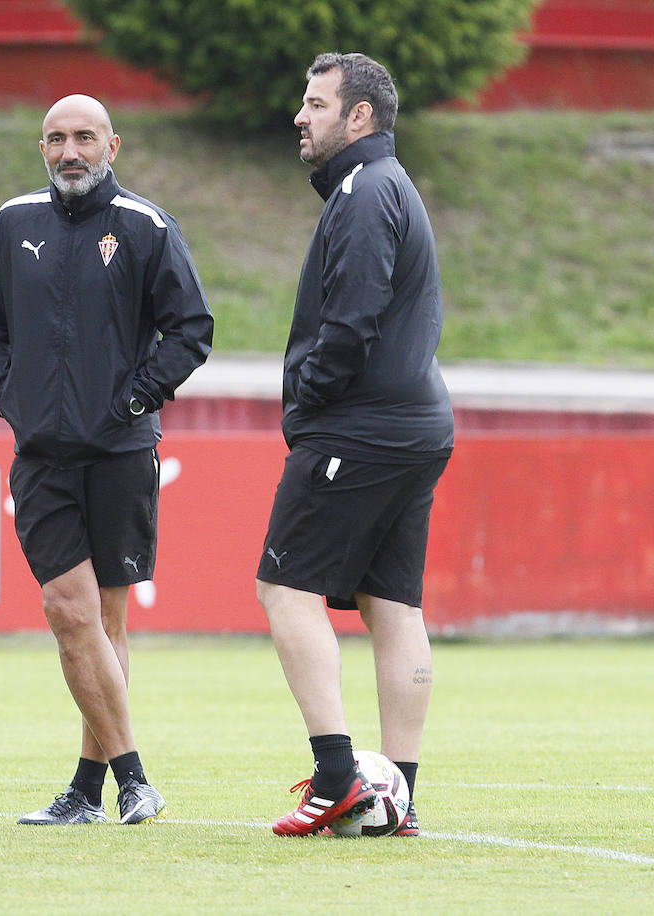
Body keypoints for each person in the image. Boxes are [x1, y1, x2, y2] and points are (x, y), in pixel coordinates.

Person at [0, 94, 213, 826]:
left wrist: (134, 400)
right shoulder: (13, 223)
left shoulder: (143, 226)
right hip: (41, 453)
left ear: (114, 145)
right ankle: (135, 777)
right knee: (66, 610)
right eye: (55, 139)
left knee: (107, 623)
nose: (69, 150)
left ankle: (85, 789)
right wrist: (8, 394)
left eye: (83, 137)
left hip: (120, 451)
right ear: (41, 149)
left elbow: (190, 328)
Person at [257, 53, 454, 837]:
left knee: (284, 589)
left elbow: (354, 319)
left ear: (359, 117)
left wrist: (308, 397)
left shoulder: (365, 191)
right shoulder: (387, 185)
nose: (301, 117)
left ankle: (338, 777)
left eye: (315, 103)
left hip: (358, 428)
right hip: (415, 428)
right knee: (393, 604)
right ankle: (398, 793)